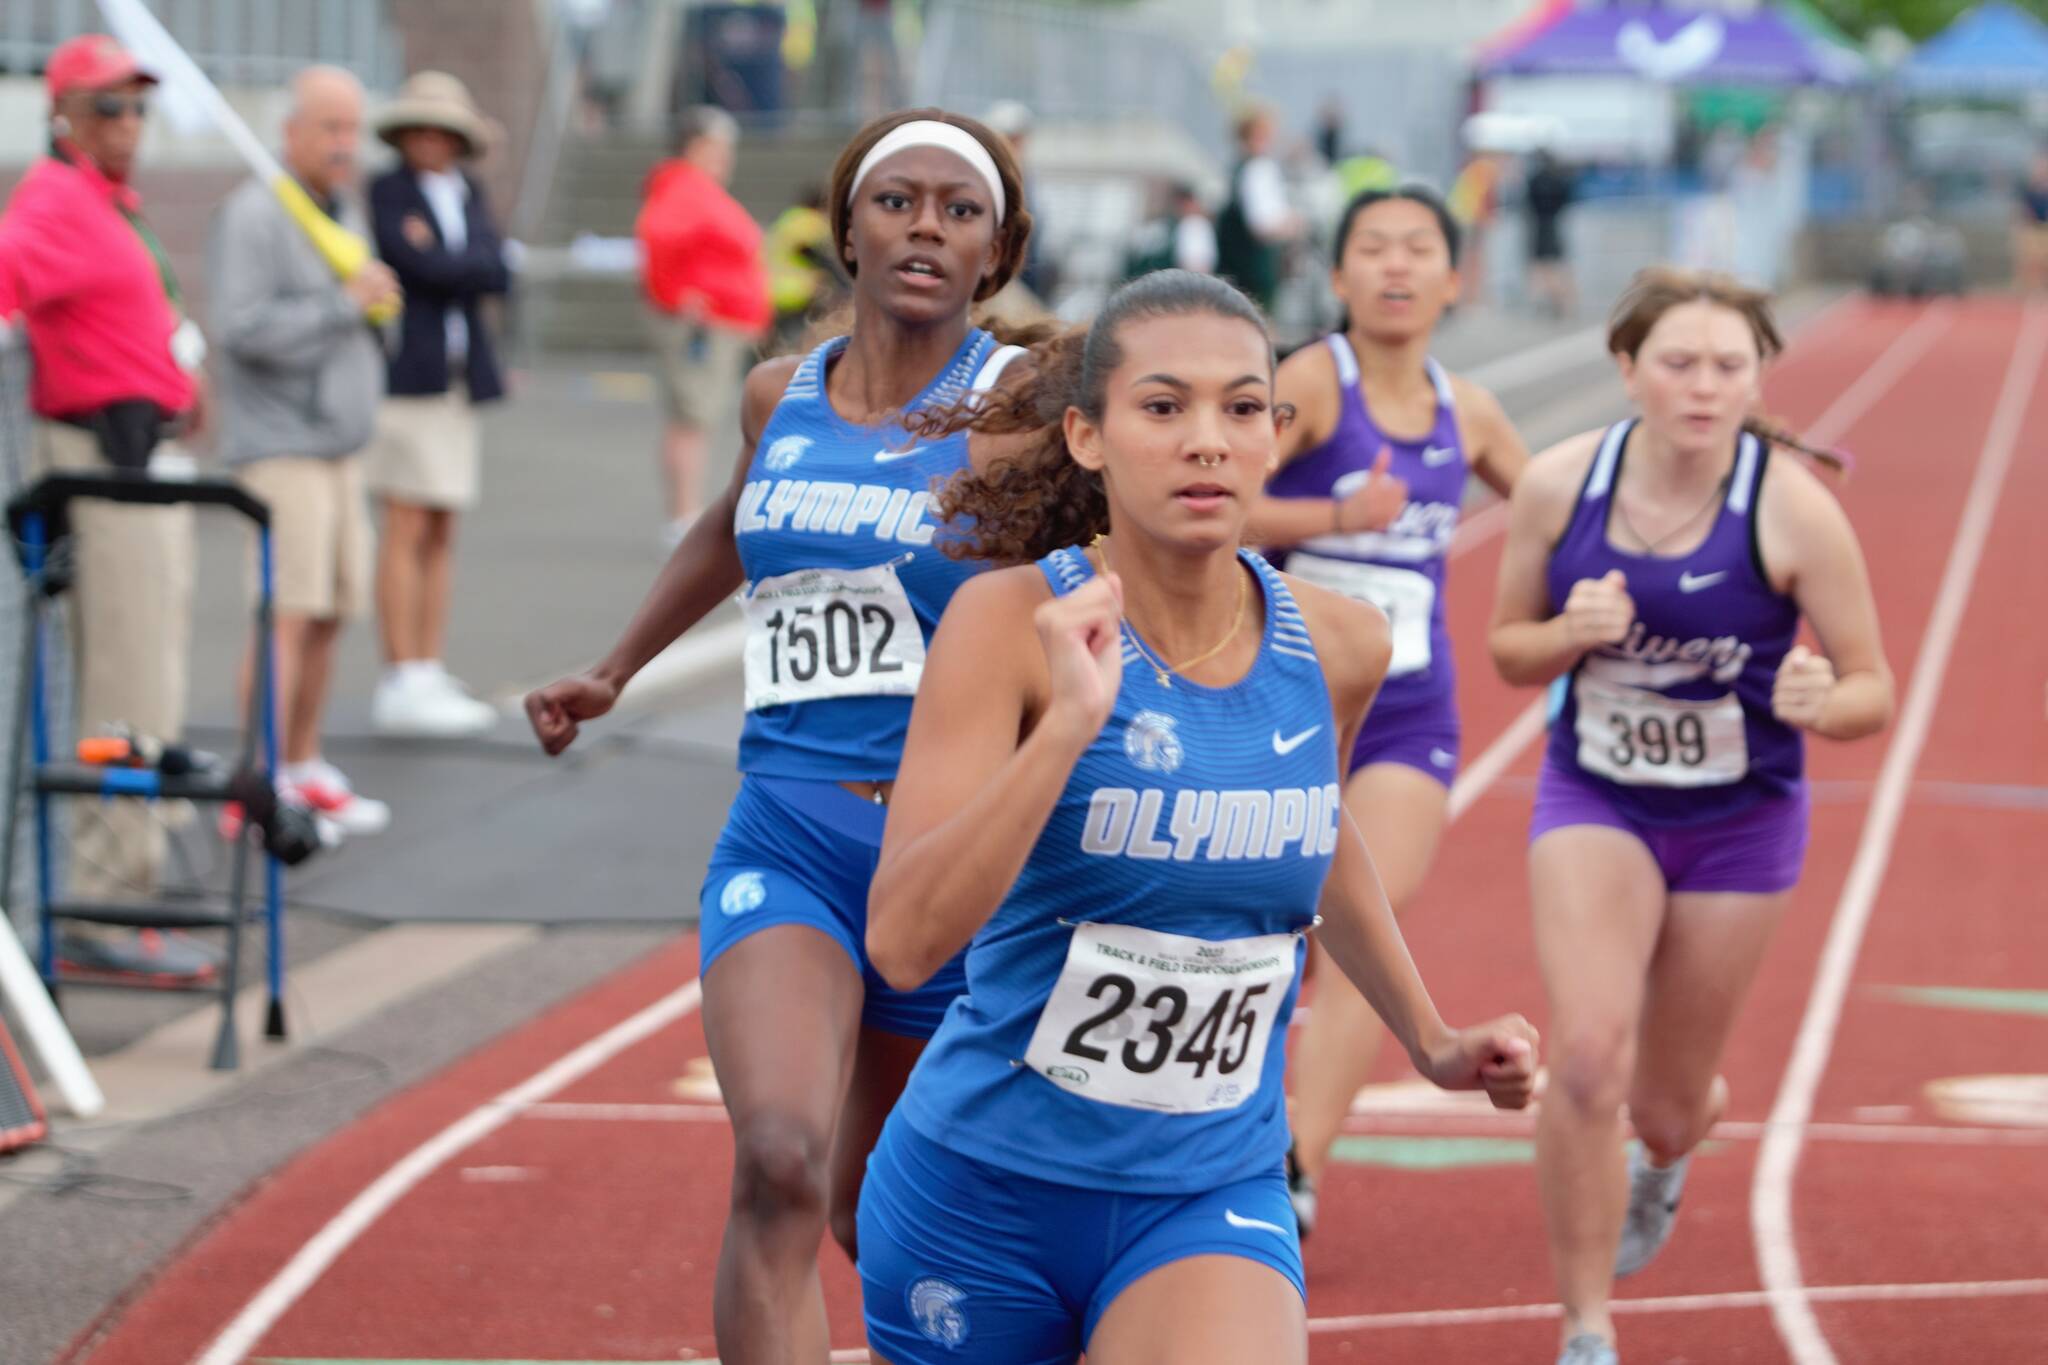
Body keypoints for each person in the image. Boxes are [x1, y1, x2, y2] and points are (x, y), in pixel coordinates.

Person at [855, 269, 1538, 1365]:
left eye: (1239, 409)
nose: (1205, 441)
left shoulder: (1343, 642)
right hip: (982, 1195)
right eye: (1163, 408)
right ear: (1087, 436)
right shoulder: (1006, 622)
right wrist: (1065, 734)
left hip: (1208, 1188)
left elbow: (1312, 838)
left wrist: (1432, 1038)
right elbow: (900, 940)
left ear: (1275, 434)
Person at [524, 109, 1037, 1363]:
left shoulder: (1022, 408)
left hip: (949, 856)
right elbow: (728, 520)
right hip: (790, 835)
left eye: (957, 211)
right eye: (897, 201)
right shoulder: (780, 392)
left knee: (889, 1218)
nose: (925, 225)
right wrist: (614, 668)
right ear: (846, 228)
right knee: (777, 1162)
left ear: (994, 252)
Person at [1488, 267, 1893, 1365]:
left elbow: (1871, 689)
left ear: (1758, 375)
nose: (1702, 387)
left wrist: (1825, 700)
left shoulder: (1791, 509)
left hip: (1738, 822)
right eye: (1677, 363)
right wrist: (1568, 634)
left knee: (1664, 1105)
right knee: (1581, 1060)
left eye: (1727, 365)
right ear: (1626, 370)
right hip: (1596, 799)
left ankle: (1664, 1154)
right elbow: (1505, 651)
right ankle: (1583, 1331)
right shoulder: (1558, 490)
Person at [1249, 185, 1530, 1236]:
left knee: (1361, 926)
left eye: (1418, 249)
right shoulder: (1313, 383)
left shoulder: (1471, 413)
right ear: (1337, 277)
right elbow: (1211, 495)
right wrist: (1333, 514)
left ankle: (1292, 1175)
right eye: (1372, 248)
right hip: (1274, 700)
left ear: (1454, 280)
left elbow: (1554, 506)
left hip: (1410, 711)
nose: (1396, 267)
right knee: (1271, 931)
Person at [0, 34, 214, 984]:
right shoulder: (52, 201)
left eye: (136, 107)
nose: (128, 125)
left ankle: (123, 876)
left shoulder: (102, 201)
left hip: (138, 455)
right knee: (126, 680)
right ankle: (103, 894)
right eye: (107, 108)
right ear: (62, 117)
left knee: (152, 672)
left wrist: (172, 372)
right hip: (100, 462)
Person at [210, 66, 398, 839]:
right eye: (329, 127)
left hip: (339, 449)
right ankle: (256, 785)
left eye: (353, 128)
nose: (344, 144)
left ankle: (303, 761)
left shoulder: (343, 209)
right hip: (282, 446)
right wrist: (340, 306)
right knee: (287, 614)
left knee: (330, 612)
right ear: (289, 132)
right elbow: (239, 328)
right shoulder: (256, 214)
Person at [365, 71, 511, 738]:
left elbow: (493, 268)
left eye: (441, 130)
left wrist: (450, 258)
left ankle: (428, 661)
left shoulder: (466, 191)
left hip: (457, 375)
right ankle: (403, 671)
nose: (430, 140)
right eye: (419, 128)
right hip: (409, 375)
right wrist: (459, 262)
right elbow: (418, 268)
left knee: (443, 522)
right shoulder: (387, 191)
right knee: (405, 520)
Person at [638, 105, 771, 544]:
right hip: (702, 325)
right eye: (717, 148)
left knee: (699, 420)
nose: (725, 157)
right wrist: (678, 295)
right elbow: (656, 239)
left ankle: (687, 512)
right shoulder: (684, 187)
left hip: (719, 323)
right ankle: (683, 516)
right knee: (692, 419)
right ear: (696, 147)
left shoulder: (696, 188)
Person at [1215, 106, 1302, 314]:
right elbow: (1262, 226)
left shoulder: (1238, 168)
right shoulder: (1259, 169)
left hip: (1235, 269)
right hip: (1254, 272)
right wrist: (1293, 224)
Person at [763, 183, 838, 353]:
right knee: (800, 337)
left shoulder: (789, 217)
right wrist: (831, 272)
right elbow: (808, 251)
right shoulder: (810, 222)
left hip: (772, 289)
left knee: (776, 337)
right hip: (798, 292)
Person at [1524, 148, 1576, 318]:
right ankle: (1557, 301)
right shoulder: (1558, 179)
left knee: (1544, 267)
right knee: (1552, 266)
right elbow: (1566, 199)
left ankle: (1556, 301)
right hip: (1552, 224)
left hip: (1541, 225)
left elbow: (1528, 202)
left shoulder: (1536, 180)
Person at [2013, 150, 2048, 294]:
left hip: (2045, 227)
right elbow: (2024, 210)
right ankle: (2032, 288)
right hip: (2033, 228)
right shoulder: (2029, 190)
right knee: (2031, 260)